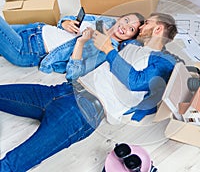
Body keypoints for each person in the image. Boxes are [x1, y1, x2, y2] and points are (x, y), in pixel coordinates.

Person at [0, 13, 178, 172]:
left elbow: (135, 81)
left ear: (158, 28)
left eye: (147, 23)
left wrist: (108, 48)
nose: (140, 27)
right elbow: (107, 22)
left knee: (12, 163)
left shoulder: (163, 62)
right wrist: (65, 23)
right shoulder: (131, 44)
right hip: (64, 91)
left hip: (83, 111)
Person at [0, 12, 144, 80]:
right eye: (126, 20)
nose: (125, 27)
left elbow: (74, 73)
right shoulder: (105, 22)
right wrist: (65, 23)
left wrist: (81, 42)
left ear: (131, 37)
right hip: (34, 29)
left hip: (29, 50)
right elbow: (71, 19)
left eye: (131, 29)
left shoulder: (106, 49)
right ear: (119, 18)